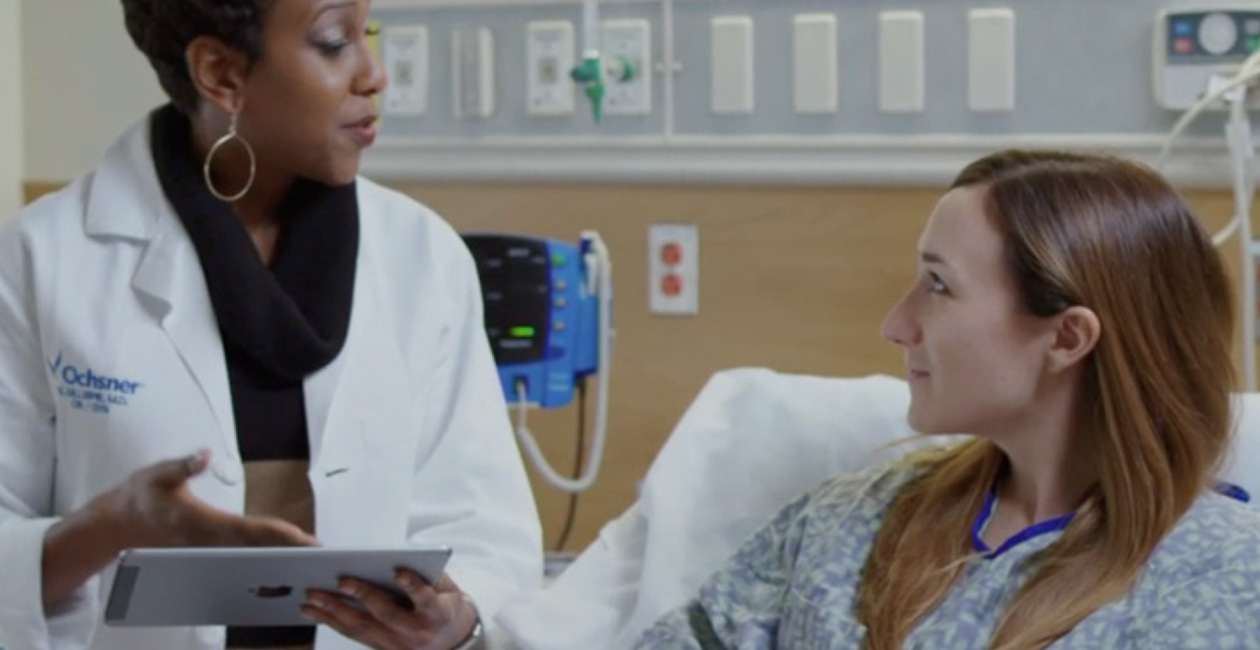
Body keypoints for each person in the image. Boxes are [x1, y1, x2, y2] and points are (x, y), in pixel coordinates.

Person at [0, 1, 542, 649]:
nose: (374, 74)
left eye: (367, 35)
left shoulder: (422, 258)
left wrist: (455, 620)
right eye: (335, 42)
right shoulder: (44, 257)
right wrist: (112, 526)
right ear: (221, 74)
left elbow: (486, 532)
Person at [633, 150, 1260, 649]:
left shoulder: (1216, 577)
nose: (896, 325)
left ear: (1067, 337)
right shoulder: (848, 521)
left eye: (939, 285)